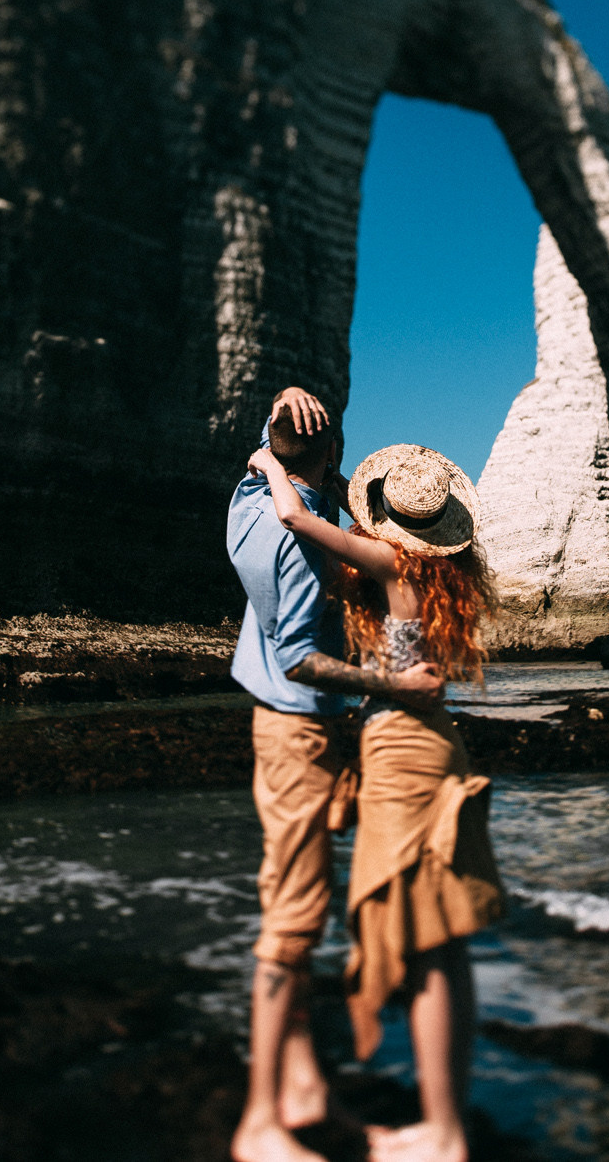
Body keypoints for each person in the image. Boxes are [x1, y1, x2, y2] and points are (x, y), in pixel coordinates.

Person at [244, 441, 504, 1162]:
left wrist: (268, 465)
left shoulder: (393, 564)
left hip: (401, 754)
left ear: (391, 520)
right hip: (433, 742)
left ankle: (443, 1132)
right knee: (438, 940)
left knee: (426, 939)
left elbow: (295, 519)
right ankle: (443, 1122)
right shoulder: (448, 575)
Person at [228, 389, 448, 1162]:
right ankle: (260, 1123)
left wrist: (274, 430)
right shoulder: (304, 539)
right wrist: (396, 688)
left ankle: (301, 1087)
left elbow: (285, 467)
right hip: (299, 728)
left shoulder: (253, 493)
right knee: (292, 922)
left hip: (284, 726)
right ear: (331, 452)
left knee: (291, 900)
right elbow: (298, 655)